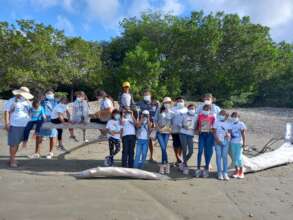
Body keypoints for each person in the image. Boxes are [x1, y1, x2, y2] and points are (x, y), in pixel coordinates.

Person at [4, 86, 33, 167]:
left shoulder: (27, 101)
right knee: (14, 144)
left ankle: (11, 158)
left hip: (25, 125)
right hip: (15, 124)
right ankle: (12, 161)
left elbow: (30, 111)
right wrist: (7, 123)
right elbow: (6, 112)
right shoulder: (12, 100)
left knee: (18, 143)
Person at [34, 90, 58, 159]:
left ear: (53, 94)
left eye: (50, 93)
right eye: (47, 93)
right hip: (42, 120)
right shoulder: (42, 101)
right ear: (45, 94)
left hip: (52, 120)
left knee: (52, 136)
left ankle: (50, 152)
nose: (49, 94)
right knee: (39, 136)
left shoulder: (56, 102)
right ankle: (37, 153)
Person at [154, 97, 175, 174]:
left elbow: (172, 123)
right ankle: (166, 164)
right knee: (163, 148)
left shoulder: (172, 112)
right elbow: (155, 120)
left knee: (164, 148)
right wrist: (158, 128)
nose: (167, 104)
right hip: (159, 132)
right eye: (166, 102)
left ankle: (163, 165)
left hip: (166, 133)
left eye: (169, 102)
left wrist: (170, 129)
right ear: (163, 103)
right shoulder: (159, 109)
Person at [195, 104, 215, 178]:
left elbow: (214, 128)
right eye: (205, 109)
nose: (206, 111)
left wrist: (211, 129)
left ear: (210, 110)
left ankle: (206, 168)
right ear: (203, 109)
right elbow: (196, 126)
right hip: (202, 135)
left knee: (207, 152)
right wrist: (198, 130)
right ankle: (198, 168)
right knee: (200, 151)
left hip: (209, 136)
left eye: (208, 109)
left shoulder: (212, 117)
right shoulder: (199, 116)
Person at [136, 89, 156, 161]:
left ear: (150, 96)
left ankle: (151, 156)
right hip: (142, 124)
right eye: (145, 95)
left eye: (147, 95)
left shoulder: (155, 103)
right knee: (141, 139)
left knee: (150, 141)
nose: (146, 96)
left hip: (151, 124)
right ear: (143, 96)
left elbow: (156, 114)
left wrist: (154, 123)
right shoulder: (139, 103)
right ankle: (139, 156)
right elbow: (137, 113)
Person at [179, 104, 197, 175]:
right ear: (188, 109)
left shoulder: (196, 116)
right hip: (183, 133)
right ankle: (185, 166)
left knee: (191, 151)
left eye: (193, 108)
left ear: (195, 109)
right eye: (190, 108)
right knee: (184, 149)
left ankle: (183, 163)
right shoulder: (184, 115)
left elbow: (197, 125)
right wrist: (184, 126)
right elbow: (179, 124)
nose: (191, 110)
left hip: (190, 134)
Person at [213, 110, 231, 180]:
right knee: (218, 156)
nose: (222, 115)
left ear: (226, 116)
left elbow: (229, 133)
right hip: (217, 141)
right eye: (221, 114)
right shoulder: (216, 122)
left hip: (226, 141)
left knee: (224, 157)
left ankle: (225, 172)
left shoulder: (228, 124)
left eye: (223, 114)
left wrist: (228, 135)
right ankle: (219, 172)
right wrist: (217, 139)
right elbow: (213, 132)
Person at [229, 112, 247, 179]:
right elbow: (230, 133)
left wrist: (244, 143)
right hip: (232, 143)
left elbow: (243, 134)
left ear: (238, 117)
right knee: (234, 158)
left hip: (239, 143)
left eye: (236, 116)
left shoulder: (241, 124)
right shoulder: (231, 124)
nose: (234, 118)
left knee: (238, 158)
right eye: (233, 116)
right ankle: (236, 171)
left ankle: (241, 172)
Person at [171, 97, 187, 166]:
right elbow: (170, 119)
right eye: (178, 101)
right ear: (176, 102)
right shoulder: (172, 109)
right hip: (174, 130)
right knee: (175, 144)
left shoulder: (186, 110)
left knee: (181, 145)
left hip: (183, 131)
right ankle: (177, 157)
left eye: (181, 101)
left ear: (184, 102)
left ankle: (179, 159)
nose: (180, 102)